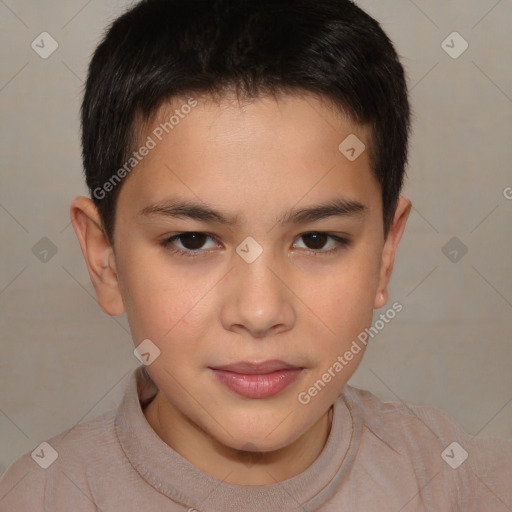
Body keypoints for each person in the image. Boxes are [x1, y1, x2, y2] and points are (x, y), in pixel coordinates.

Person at [1, 0, 510, 510]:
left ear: (385, 252)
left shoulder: (463, 486)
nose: (260, 312)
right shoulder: (38, 496)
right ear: (103, 258)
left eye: (317, 240)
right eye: (193, 241)